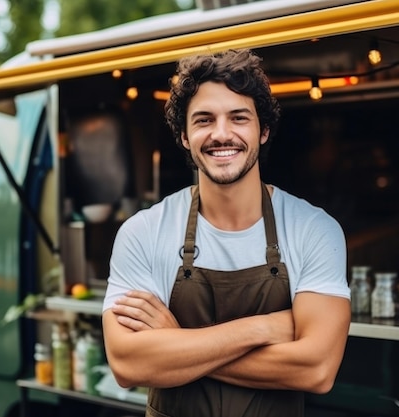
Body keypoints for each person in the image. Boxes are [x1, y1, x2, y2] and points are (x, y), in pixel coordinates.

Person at [102, 48, 351, 417]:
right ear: (184, 136)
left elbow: (316, 369)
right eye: (203, 120)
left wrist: (175, 344)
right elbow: (127, 364)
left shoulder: (314, 230)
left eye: (238, 118)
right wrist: (264, 328)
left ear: (263, 130)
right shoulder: (143, 232)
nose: (222, 134)